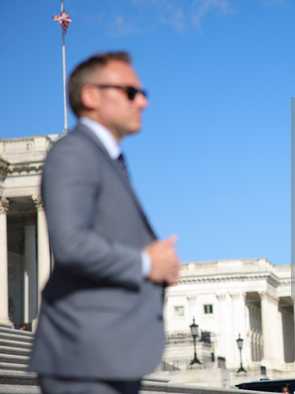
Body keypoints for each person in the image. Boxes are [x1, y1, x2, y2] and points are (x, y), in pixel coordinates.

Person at [28, 52, 181, 394]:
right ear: (91, 96)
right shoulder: (74, 152)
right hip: (85, 357)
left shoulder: (106, 159)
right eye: (130, 92)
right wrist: (147, 262)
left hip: (109, 355)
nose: (142, 101)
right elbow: (71, 243)